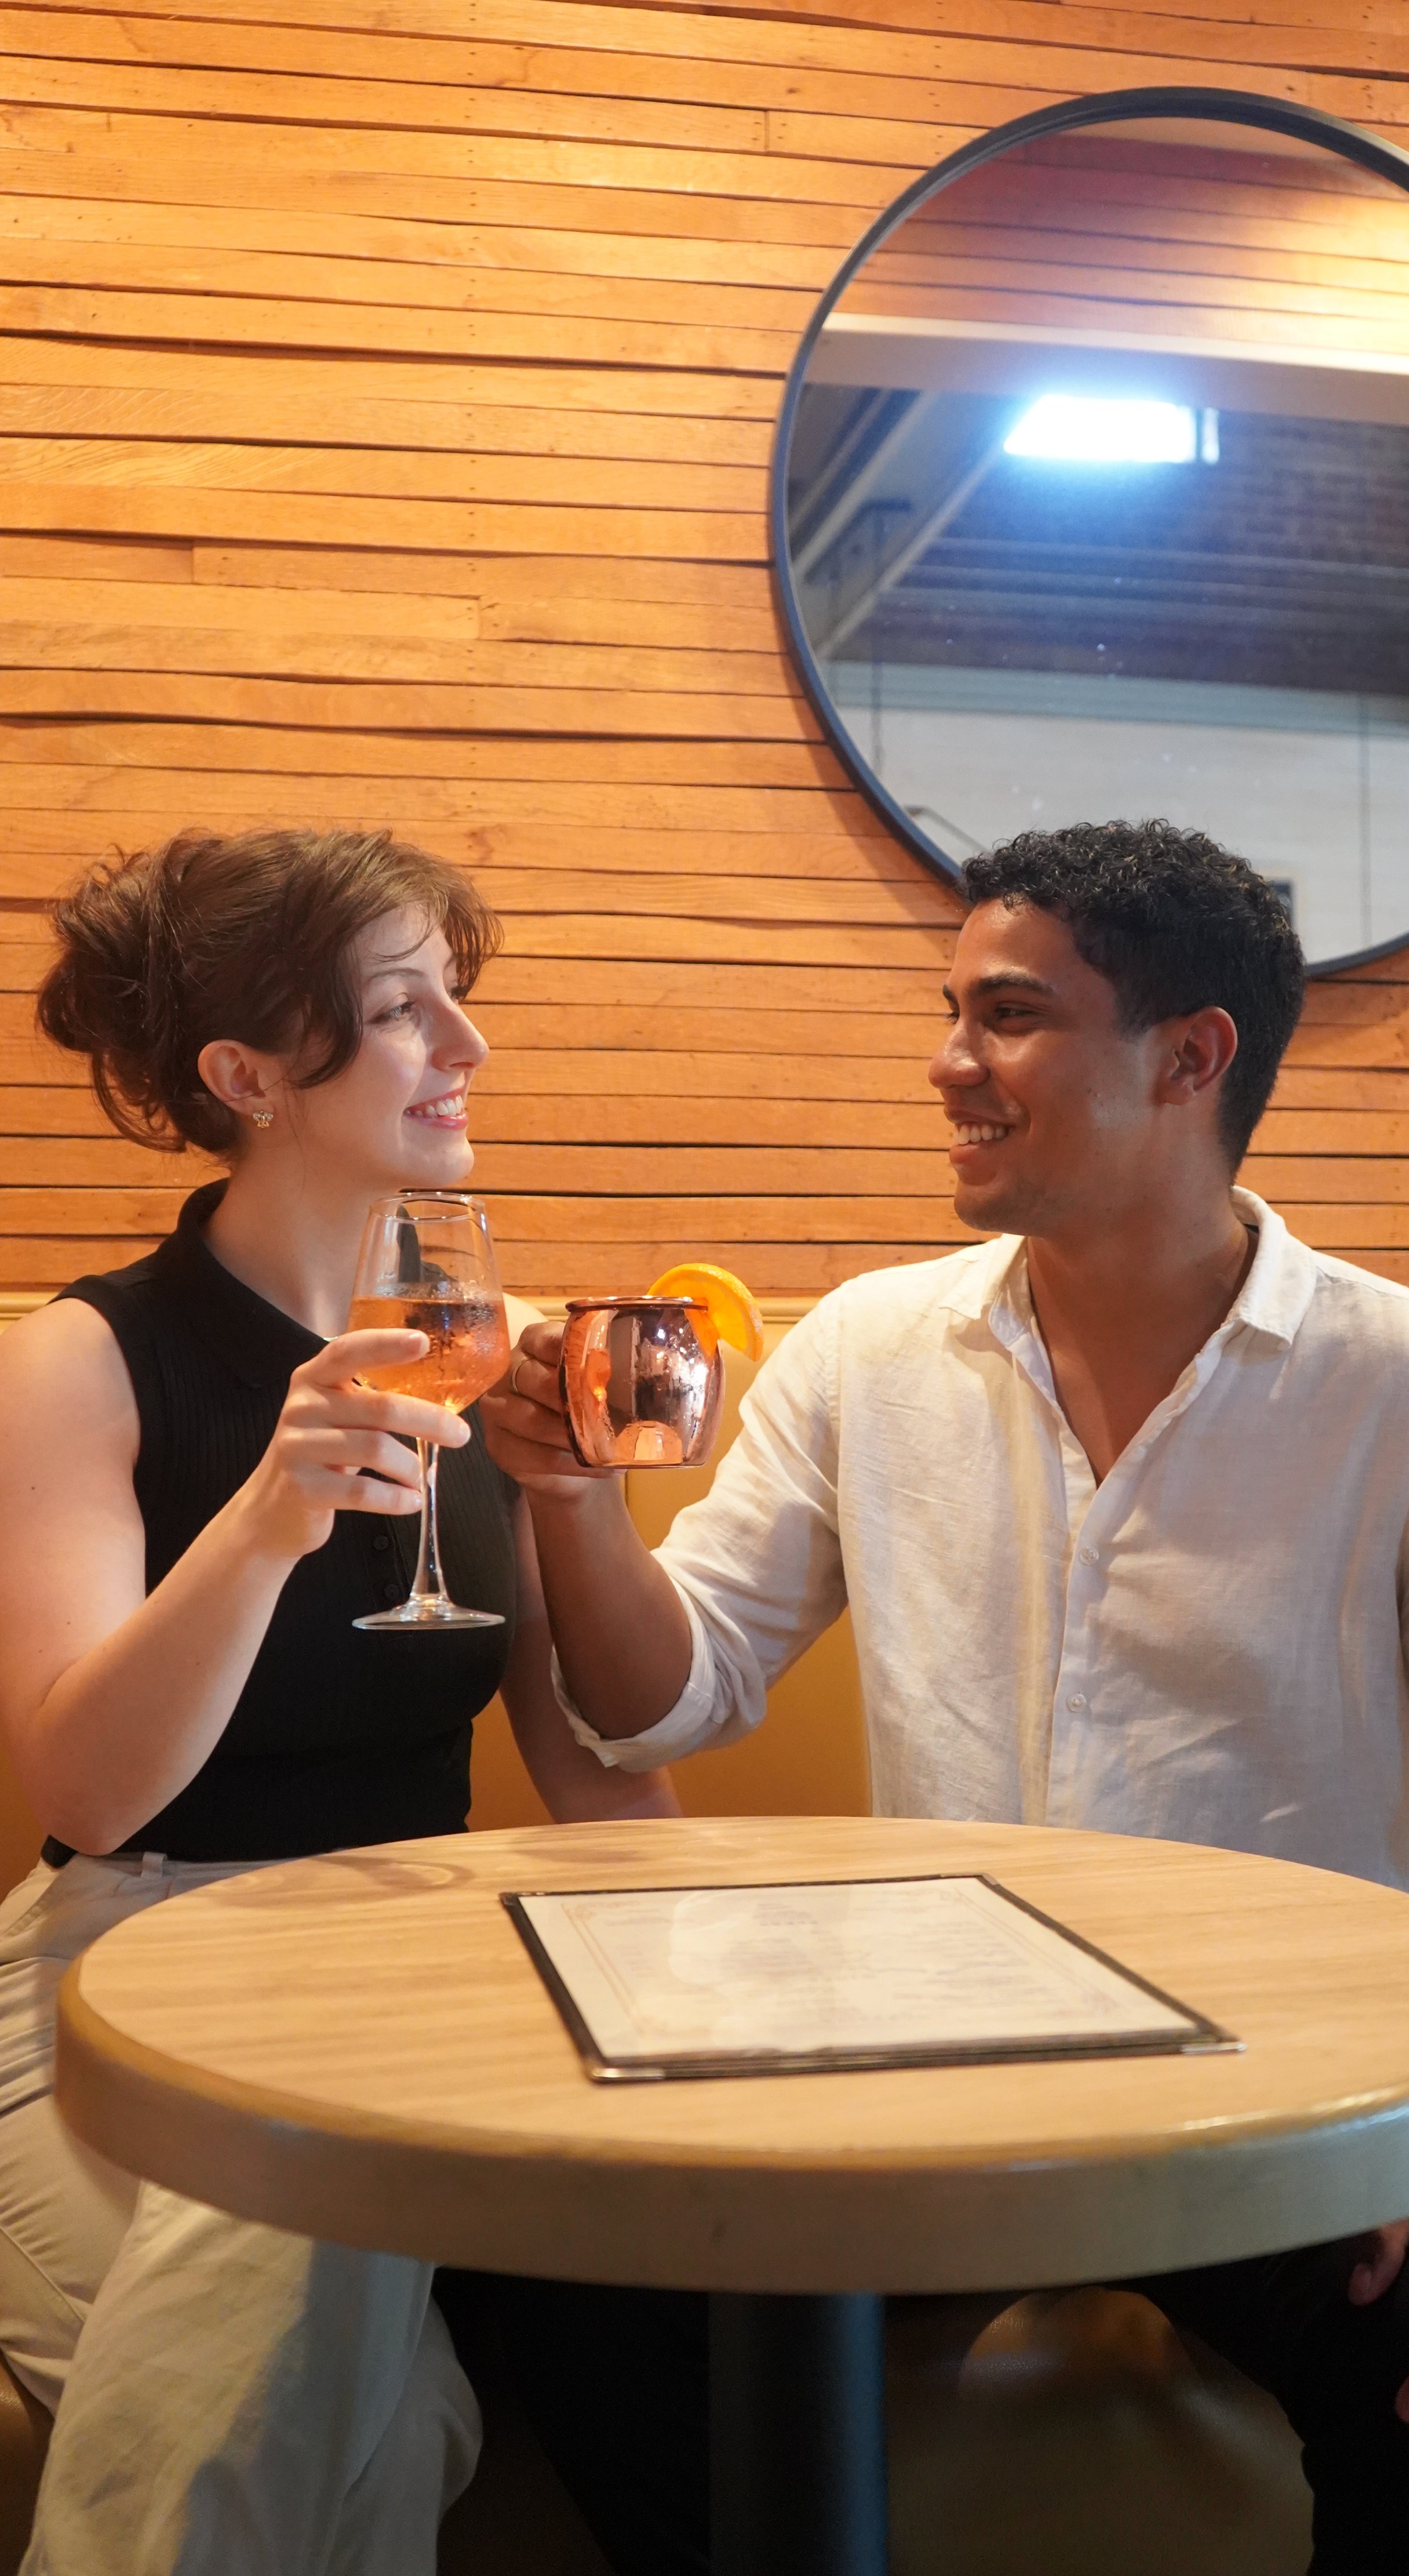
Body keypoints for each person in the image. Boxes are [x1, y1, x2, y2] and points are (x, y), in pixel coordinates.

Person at [486, 818, 1409, 2575]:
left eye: (1006, 1015)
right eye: (948, 1010)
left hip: (1286, 2100)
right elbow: (670, 1693)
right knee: (522, 2265)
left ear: (1188, 1056)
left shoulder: (1407, 1381)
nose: (946, 1061)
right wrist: (568, 1494)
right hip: (930, 2070)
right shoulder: (867, 1347)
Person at [0, 824, 675, 2576]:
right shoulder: (81, 1361)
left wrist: (714, 1965)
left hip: (411, 1962)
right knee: (337, 2298)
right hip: (126, 1968)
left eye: (458, 999)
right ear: (247, 1075)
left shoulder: (482, 1333)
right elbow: (94, 1795)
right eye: (402, 1009)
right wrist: (270, 1518)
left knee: (327, 2259)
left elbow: (591, 1762)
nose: (466, 1048)